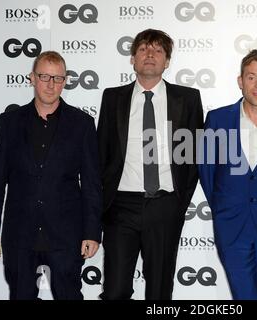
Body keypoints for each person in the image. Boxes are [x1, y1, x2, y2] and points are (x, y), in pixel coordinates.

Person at [0, 51, 102, 300]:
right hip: (20, 233)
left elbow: (91, 183)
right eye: (44, 76)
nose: (51, 84)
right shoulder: (10, 122)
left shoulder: (82, 124)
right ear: (32, 78)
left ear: (65, 81)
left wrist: (92, 232)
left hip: (66, 235)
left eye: (57, 78)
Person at [97, 29, 203, 300]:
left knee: (159, 291)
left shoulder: (187, 99)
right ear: (133, 58)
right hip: (120, 207)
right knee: (115, 290)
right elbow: (102, 154)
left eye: (158, 50)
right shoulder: (112, 98)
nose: (150, 55)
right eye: (144, 49)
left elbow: (193, 158)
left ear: (167, 61)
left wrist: (178, 202)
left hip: (165, 206)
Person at [198, 49, 257, 299]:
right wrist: (223, 206)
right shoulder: (217, 119)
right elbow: (207, 171)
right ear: (240, 81)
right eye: (251, 77)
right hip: (231, 223)